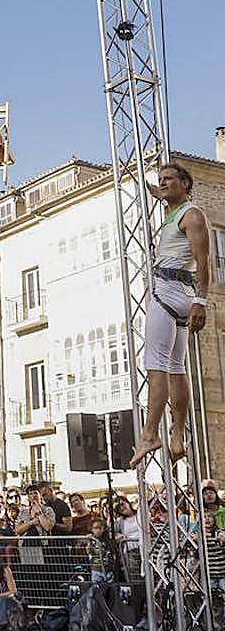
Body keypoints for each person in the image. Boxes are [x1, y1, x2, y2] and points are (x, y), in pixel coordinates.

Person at [131, 163, 210, 467]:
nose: (163, 183)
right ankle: (177, 435)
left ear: (185, 183)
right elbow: (159, 193)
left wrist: (201, 300)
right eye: (161, 179)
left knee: (156, 365)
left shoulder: (192, 215)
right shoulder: (175, 211)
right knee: (176, 367)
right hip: (178, 292)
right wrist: (152, 185)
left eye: (169, 179)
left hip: (169, 290)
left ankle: (150, 434)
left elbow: (204, 261)